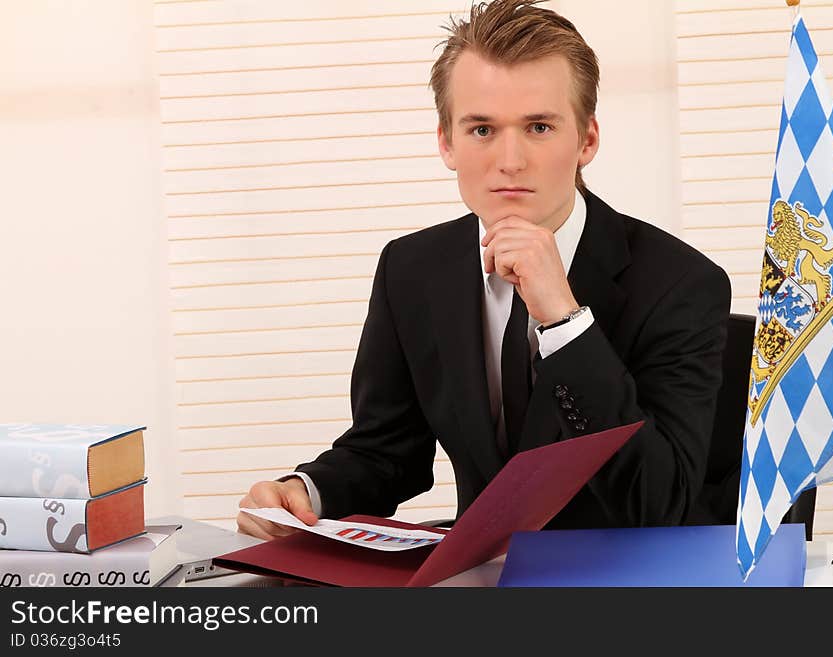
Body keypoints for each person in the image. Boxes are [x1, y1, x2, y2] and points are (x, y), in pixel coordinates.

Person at [236, 0, 731, 541]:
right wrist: (304, 493)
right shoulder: (412, 270)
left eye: (539, 127)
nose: (510, 160)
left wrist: (564, 320)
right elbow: (386, 452)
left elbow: (657, 503)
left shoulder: (681, 284)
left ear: (586, 140)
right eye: (481, 130)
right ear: (446, 141)